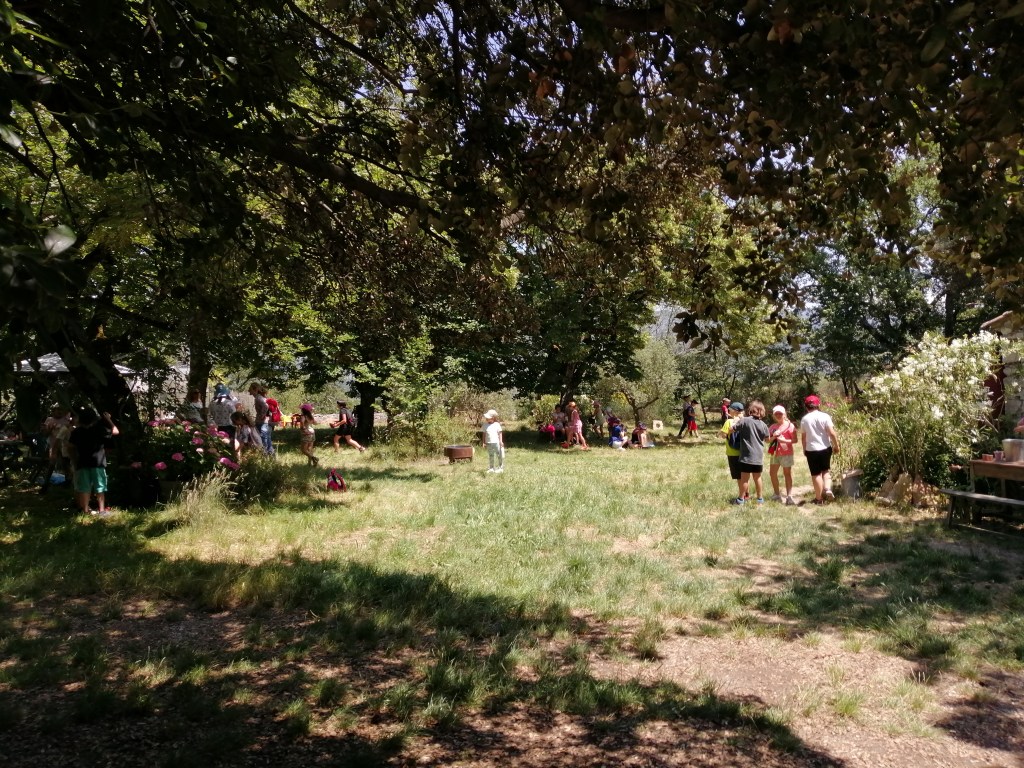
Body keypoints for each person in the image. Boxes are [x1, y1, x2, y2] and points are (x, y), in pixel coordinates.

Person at [68, 407, 119, 516]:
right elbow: (115, 431)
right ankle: (102, 510)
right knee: (100, 487)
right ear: (94, 419)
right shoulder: (99, 430)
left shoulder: (76, 432)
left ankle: (85, 510)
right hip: (98, 463)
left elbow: (70, 446)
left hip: (82, 463)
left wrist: (74, 460)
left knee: (84, 488)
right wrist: (108, 420)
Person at [800, 394, 841, 505]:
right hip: (825, 448)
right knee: (825, 471)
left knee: (816, 474)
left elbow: (803, 438)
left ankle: (819, 499)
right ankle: (827, 489)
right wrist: (836, 446)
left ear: (806, 406)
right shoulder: (825, 416)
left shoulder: (804, 419)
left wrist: (804, 449)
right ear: (818, 405)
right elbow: (831, 433)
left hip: (811, 449)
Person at [733, 400, 770, 505]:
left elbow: (733, 429)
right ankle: (760, 499)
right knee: (757, 477)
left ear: (750, 410)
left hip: (746, 456)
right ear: (762, 412)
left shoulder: (744, 420)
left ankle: (741, 499)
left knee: (744, 478)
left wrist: (733, 425)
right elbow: (767, 440)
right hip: (758, 457)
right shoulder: (763, 425)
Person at [768, 405, 797, 505]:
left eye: (780, 413)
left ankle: (789, 496)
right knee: (772, 473)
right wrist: (774, 436)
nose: (778, 415)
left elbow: (795, 440)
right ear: (773, 415)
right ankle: (777, 494)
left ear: (784, 414)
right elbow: (767, 440)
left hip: (787, 453)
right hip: (774, 453)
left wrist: (784, 441)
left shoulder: (790, 426)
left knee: (787, 473)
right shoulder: (772, 427)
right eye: (776, 414)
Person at [720, 401, 745, 500]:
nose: (729, 411)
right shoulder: (746, 421)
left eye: (730, 409)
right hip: (744, 452)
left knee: (738, 477)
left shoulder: (729, 422)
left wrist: (721, 432)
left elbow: (723, 435)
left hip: (732, 452)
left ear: (734, 411)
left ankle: (741, 496)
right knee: (745, 476)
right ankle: (746, 494)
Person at [248, 383, 274, 455]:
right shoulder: (260, 397)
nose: (248, 390)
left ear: (255, 389)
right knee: (267, 439)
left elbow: (266, 406)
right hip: (266, 422)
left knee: (263, 439)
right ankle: (271, 454)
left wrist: (262, 415)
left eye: (250, 389)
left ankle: (265, 454)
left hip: (262, 422)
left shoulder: (258, 398)